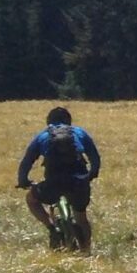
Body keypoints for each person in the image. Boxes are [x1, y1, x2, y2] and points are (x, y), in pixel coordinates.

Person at [18, 105, 101, 249]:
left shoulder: (42, 135)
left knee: (31, 199)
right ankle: (86, 250)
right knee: (81, 217)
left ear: (48, 121)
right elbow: (95, 158)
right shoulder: (79, 132)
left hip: (53, 183)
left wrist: (23, 181)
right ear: (69, 121)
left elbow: (27, 161)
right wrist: (91, 175)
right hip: (78, 181)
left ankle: (52, 228)